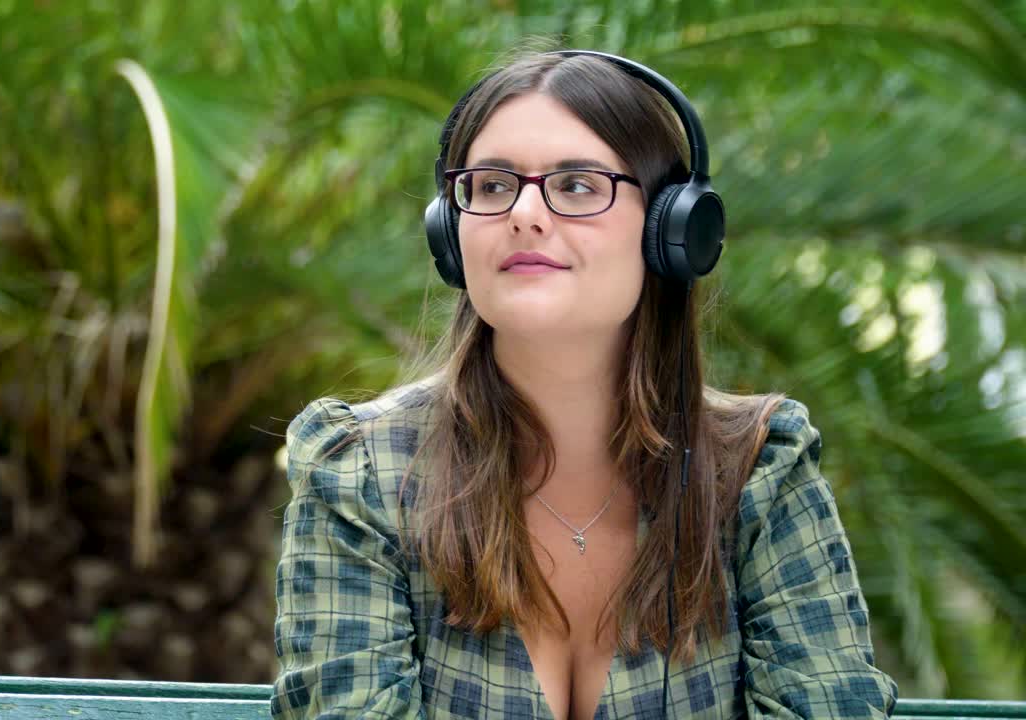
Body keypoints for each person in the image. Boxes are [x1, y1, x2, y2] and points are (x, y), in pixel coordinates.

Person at [270, 49, 898, 719]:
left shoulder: (761, 475)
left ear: (673, 229)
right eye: (490, 185)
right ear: (451, 235)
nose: (524, 214)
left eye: (576, 186)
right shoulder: (359, 474)